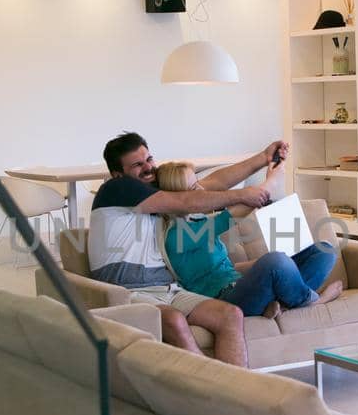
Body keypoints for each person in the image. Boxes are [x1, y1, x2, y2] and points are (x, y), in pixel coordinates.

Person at [87, 132, 280, 366]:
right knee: (174, 320)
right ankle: (210, 388)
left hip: (169, 288)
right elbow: (187, 202)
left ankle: (235, 389)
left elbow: (209, 185)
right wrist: (244, 194)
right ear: (118, 173)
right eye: (137, 165)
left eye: (149, 159)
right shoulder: (117, 189)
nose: (148, 168)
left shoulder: (152, 190)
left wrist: (262, 158)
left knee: (230, 315)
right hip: (129, 290)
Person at [155, 160, 342, 316]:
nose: (202, 189)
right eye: (193, 186)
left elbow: (229, 268)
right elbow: (235, 214)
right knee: (276, 261)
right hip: (227, 301)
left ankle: (284, 305)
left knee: (323, 250)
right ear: (179, 197)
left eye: (198, 182)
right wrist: (272, 181)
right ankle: (315, 301)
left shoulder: (198, 220)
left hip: (245, 287)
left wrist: (263, 266)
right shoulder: (177, 235)